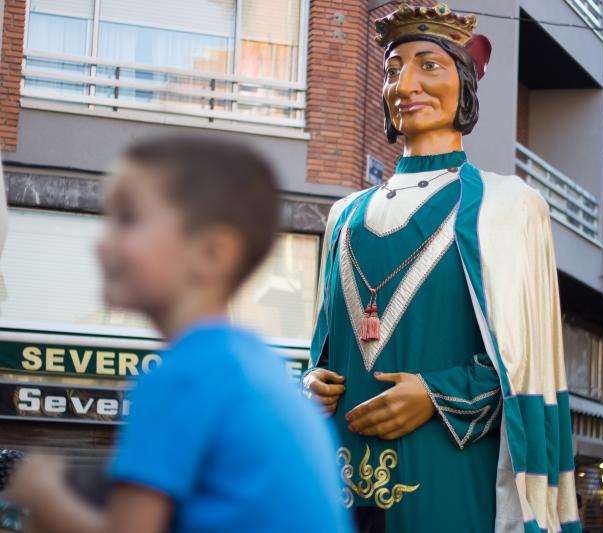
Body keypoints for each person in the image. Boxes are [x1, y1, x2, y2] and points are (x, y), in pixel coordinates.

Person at [302, 2, 579, 532]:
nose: (406, 83)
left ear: (466, 83)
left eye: (429, 65)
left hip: (451, 472)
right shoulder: (343, 214)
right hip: (340, 480)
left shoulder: (509, 205)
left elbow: (525, 362)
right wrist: (311, 382)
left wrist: (436, 393)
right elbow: (325, 345)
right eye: (392, 68)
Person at [4, 136, 353, 533]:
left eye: (128, 219)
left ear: (212, 254)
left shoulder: (184, 376)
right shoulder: (250, 365)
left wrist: (43, 495)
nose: (101, 242)